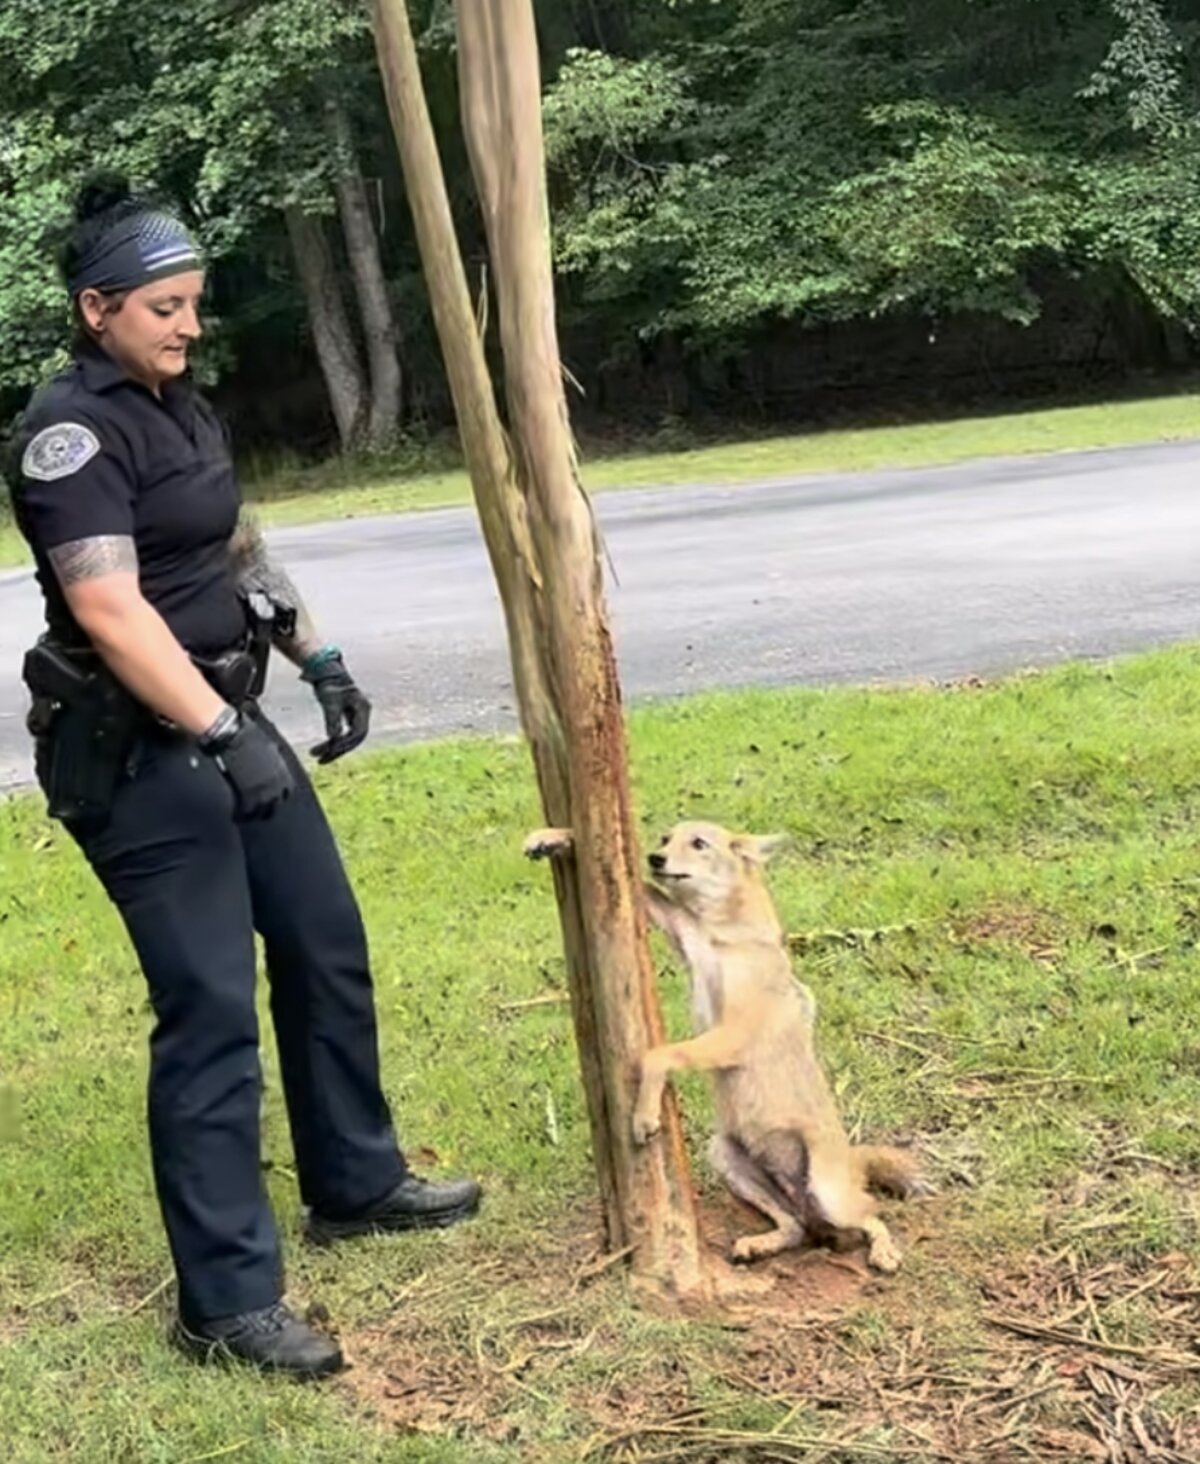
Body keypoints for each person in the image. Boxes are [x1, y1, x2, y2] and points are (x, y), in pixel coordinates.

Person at [7, 176, 481, 1381]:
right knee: (211, 1010)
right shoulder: (70, 435)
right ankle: (222, 1304)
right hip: (142, 758)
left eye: (194, 304)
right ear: (96, 307)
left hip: (229, 724)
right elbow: (110, 607)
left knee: (324, 945)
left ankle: (356, 1182)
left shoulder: (182, 407)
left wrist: (314, 655)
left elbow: (233, 545)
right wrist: (224, 730)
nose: (188, 325)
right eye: (165, 307)